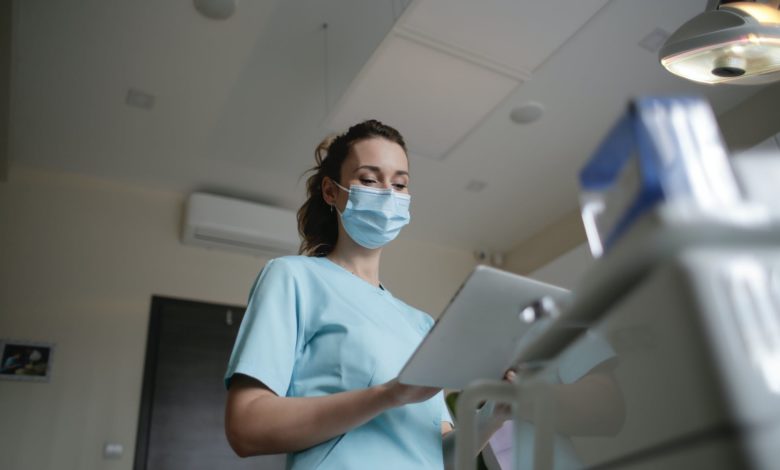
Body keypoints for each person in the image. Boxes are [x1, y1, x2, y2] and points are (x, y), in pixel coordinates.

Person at [223, 120, 506, 469]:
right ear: (331, 191)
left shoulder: (421, 324)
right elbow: (246, 427)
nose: (388, 193)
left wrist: (495, 413)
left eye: (400, 183)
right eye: (370, 180)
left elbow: (439, 457)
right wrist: (390, 394)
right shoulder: (293, 278)